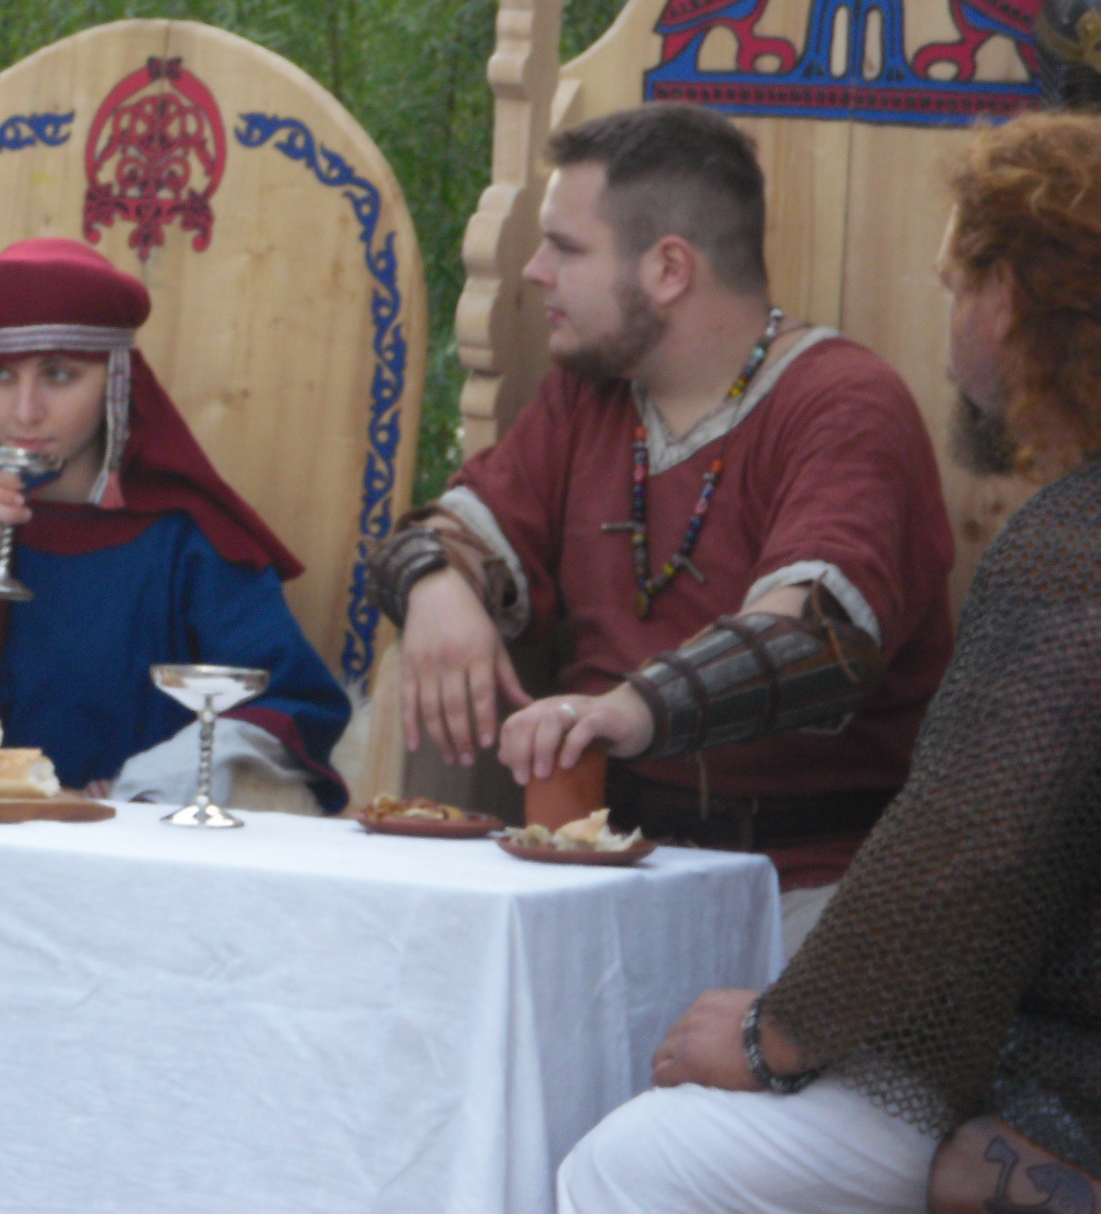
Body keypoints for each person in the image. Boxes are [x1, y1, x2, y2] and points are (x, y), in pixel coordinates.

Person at [555, 110, 1101, 1214]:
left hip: (1053, 1065)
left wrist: (780, 1033)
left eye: (955, 285)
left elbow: (971, 847)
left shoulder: (1071, 545)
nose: (950, 320)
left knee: (633, 1159)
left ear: (1007, 297)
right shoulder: (588, 406)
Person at [366, 102, 953, 950]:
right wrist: (434, 583)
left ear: (670, 268)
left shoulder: (846, 405)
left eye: (565, 247)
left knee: (742, 1034)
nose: (534, 271)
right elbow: (448, 533)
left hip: (809, 883)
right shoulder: (588, 396)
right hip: (603, 865)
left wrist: (635, 709)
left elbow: (814, 642)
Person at [0, 238, 350, 810]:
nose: (25, 411)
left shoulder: (187, 546)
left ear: (116, 381)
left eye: (59, 375)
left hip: (123, 850)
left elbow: (289, 708)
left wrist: (139, 794)